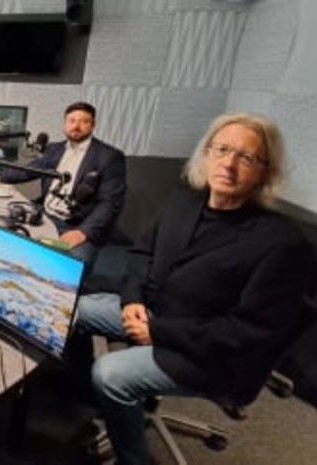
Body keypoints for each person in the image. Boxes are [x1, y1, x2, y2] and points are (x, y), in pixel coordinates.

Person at [72, 113, 316, 465]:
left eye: (246, 157)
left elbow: (247, 332)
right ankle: (94, 399)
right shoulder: (183, 202)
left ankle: (134, 458)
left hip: (209, 354)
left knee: (110, 374)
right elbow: (141, 254)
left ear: (265, 172)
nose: (228, 164)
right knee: (73, 311)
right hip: (153, 313)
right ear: (207, 154)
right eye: (222, 149)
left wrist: (156, 331)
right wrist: (131, 300)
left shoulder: (283, 244)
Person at [0, 102, 126, 265]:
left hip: (77, 225)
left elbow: (110, 203)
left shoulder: (109, 157)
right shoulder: (54, 149)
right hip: (44, 215)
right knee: (3, 239)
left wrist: (83, 232)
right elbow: (29, 170)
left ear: (92, 125)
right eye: (72, 120)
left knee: (71, 265)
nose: (76, 126)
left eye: (83, 121)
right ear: (65, 123)